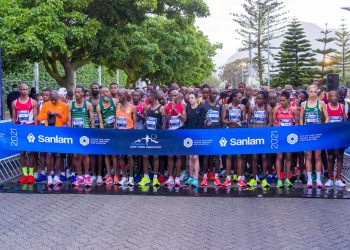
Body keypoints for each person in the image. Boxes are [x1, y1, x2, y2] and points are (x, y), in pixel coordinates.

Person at [300, 84, 328, 188]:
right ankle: (310, 180)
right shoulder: (304, 104)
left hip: (318, 134)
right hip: (307, 133)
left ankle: (319, 180)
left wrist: (323, 127)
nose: (312, 94)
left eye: (314, 92)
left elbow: (327, 117)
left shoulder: (321, 103)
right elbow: (301, 118)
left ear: (317, 93)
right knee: (308, 156)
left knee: (318, 156)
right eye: (310, 92)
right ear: (307, 92)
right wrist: (302, 128)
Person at [37, 90, 68, 186]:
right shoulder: (46, 105)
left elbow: (66, 119)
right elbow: (39, 117)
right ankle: (49, 176)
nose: (53, 101)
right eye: (52, 99)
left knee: (58, 155)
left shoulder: (64, 105)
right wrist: (47, 114)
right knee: (49, 154)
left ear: (58, 97)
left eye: (55, 99)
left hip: (59, 133)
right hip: (49, 133)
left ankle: (56, 176)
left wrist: (59, 115)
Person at [67, 86, 95, 187]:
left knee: (85, 154)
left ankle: (87, 176)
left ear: (83, 93)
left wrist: (91, 131)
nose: (77, 94)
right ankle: (79, 176)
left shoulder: (88, 105)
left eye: (79, 92)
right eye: (76, 92)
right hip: (75, 133)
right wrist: (70, 132)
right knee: (75, 155)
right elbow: (69, 120)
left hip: (85, 132)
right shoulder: (70, 105)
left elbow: (92, 120)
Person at [12, 83, 38, 184]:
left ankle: (31, 175)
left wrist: (35, 129)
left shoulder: (33, 102)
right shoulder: (15, 103)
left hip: (30, 129)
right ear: (19, 90)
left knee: (31, 152)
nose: (25, 91)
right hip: (20, 129)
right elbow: (14, 118)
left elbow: (36, 117)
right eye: (23, 89)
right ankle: (25, 174)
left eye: (26, 89)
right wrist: (14, 130)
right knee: (22, 153)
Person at [138, 90, 166, 187]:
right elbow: (146, 121)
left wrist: (161, 136)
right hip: (148, 135)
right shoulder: (148, 107)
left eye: (149, 97)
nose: (147, 98)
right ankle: (145, 177)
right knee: (145, 156)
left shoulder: (161, 108)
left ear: (154, 98)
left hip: (157, 136)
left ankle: (155, 178)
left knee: (155, 156)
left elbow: (163, 123)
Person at [273, 91, 299, 188]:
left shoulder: (293, 110)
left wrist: (291, 130)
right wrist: (278, 128)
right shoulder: (276, 109)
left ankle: (287, 178)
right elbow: (272, 124)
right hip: (279, 137)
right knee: (279, 158)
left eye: (283, 100)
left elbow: (297, 123)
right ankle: (279, 179)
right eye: (280, 100)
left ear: (288, 100)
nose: (281, 102)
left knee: (288, 158)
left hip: (289, 138)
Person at [247, 91, 272, 187]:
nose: (258, 100)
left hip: (264, 136)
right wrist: (252, 131)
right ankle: (254, 178)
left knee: (264, 157)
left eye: (260, 98)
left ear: (264, 100)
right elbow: (248, 122)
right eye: (257, 98)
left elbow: (270, 122)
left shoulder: (268, 109)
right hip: (254, 136)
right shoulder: (252, 108)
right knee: (254, 157)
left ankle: (264, 179)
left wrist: (265, 130)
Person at [221, 90, 246, 187]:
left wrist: (239, 122)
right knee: (229, 155)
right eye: (239, 97)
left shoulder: (242, 107)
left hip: (239, 132)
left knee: (239, 156)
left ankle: (240, 178)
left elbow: (244, 120)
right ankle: (227, 178)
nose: (241, 99)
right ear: (234, 97)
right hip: (229, 132)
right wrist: (231, 122)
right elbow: (223, 120)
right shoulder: (227, 106)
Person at [164, 90, 187, 187]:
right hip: (170, 133)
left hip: (179, 132)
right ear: (169, 95)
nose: (173, 97)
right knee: (170, 156)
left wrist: (176, 111)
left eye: (175, 95)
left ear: (179, 96)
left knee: (178, 156)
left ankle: (177, 177)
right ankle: (170, 177)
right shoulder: (166, 106)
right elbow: (167, 120)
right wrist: (171, 110)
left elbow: (184, 119)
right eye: (172, 95)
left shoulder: (182, 105)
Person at [324, 90, 347, 187]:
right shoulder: (326, 107)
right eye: (332, 96)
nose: (334, 98)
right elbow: (323, 120)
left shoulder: (342, 106)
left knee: (340, 156)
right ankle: (330, 178)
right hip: (330, 136)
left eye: (335, 96)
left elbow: (344, 120)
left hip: (339, 136)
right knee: (330, 156)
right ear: (329, 98)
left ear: (338, 97)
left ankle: (338, 178)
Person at [115, 89, 137, 186]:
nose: (119, 96)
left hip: (129, 133)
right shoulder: (118, 106)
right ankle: (124, 177)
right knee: (121, 156)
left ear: (126, 95)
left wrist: (134, 135)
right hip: (120, 134)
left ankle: (131, 178)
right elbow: (116, 120)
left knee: (130, 156)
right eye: (118, 94)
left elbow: (135, 122)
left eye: (121, 94)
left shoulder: (132, 107)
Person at [201, 87, 222, 187]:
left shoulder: (219, 105)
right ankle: (205, 177)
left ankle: (216, 176)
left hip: (217, 132)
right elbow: (199, 119)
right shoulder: (203, 104)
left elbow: (221, 120)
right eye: (213, 93)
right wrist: (205, 125)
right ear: (208, 93)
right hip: (206, 133)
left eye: (216, 94)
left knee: (217, 155)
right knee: (206, 155)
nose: (215, 95)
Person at [184, 93, 205, 188]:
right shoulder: (187, 108)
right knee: (190, 158)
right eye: (189, 98)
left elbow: (201, 123)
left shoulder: (201, 108)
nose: (190, 100)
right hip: (188, 135)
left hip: (197, 135)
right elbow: (186, 121)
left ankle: (196, 179)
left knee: (196, 157)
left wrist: (195, 133)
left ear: (196, 98)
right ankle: (190, 177)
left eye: (192, 98)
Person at [98, 87, 118, 185]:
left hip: (114, 131)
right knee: (106, 154)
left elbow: (118, 115)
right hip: (106, 131)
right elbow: (101, 122)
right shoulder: (98, 106)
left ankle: (116, 175)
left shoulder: (114, 101)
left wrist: (115, 129)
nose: (108, 93)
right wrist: (103, 132)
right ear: (101, 94)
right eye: (106, 92)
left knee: (114, 154)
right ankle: (109, 175)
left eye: (108, 91)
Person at [88, 83, 104, 184]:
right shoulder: (87, 101)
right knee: (92, 154)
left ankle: (100, 175)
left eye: (96, 88)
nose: (94, 89)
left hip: (101, 130)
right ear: (90, 90)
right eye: (93, 88)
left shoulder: (103, 100)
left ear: (99, 89)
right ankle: (93, 174)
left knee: (101, 154)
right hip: (91, 130)